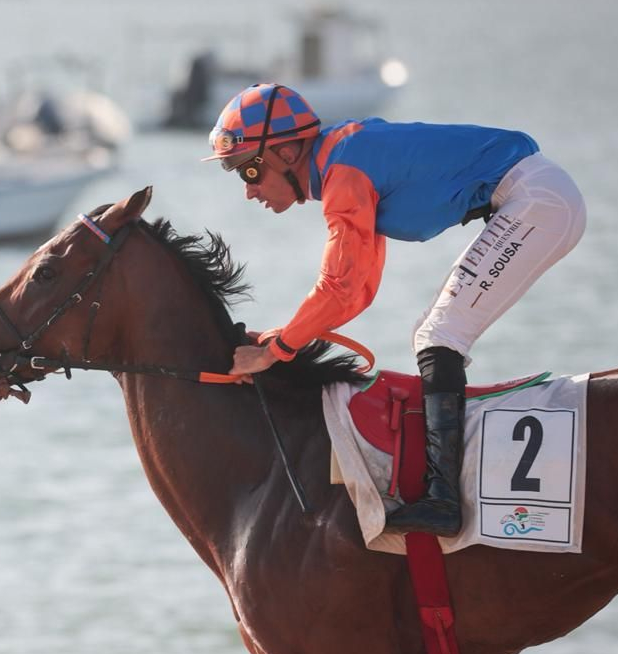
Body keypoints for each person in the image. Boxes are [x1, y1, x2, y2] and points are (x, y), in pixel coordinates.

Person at [205, 82, 586, 536]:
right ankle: (443, 489)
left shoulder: (345, 170)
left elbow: (342, 285)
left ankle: (443, 501)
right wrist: (284, 339)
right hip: (537, 197)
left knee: (439, 336)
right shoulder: (343, 158)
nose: (249, 192)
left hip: (538, 202)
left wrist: (277, 350)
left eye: (249, 171)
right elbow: (359, 287)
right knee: (431, 331)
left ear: (287, 152)